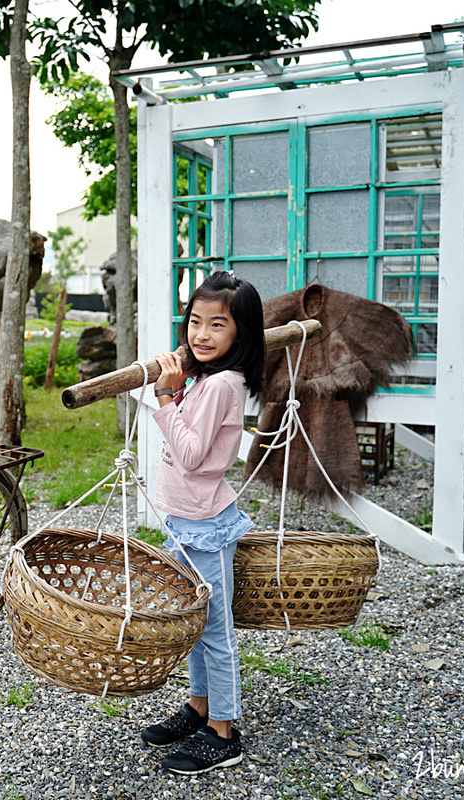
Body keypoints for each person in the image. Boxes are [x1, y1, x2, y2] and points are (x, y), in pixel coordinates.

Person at [140, 271, 265, 775]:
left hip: (205, 527)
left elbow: (190, 455)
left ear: (242, 336)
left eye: (219, 325)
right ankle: (199, 706)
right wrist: (181, 379)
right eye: (195, 322)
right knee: (194, 625)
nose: (202, 335)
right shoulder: (204, 378)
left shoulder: (222, 385)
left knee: (214, 630)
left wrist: (167, 398)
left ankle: (224, 732)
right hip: (183, 521)